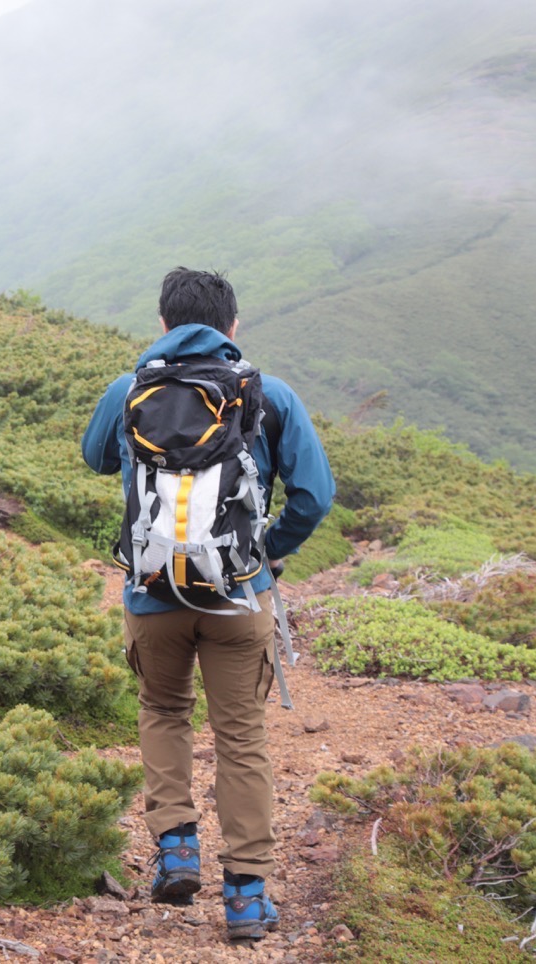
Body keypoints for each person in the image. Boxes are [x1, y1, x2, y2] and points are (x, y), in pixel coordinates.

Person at [81, 268, 334, 941]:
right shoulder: (269, 394)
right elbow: (315, 496)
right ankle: (248, 897)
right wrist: (268, 554)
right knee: (242, 737)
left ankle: (176, 849)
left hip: (153, 591)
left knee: (163, 711)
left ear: (163, 325)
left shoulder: (129, 389)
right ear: (234, 326)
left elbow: (95, 458)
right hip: (239, 597)